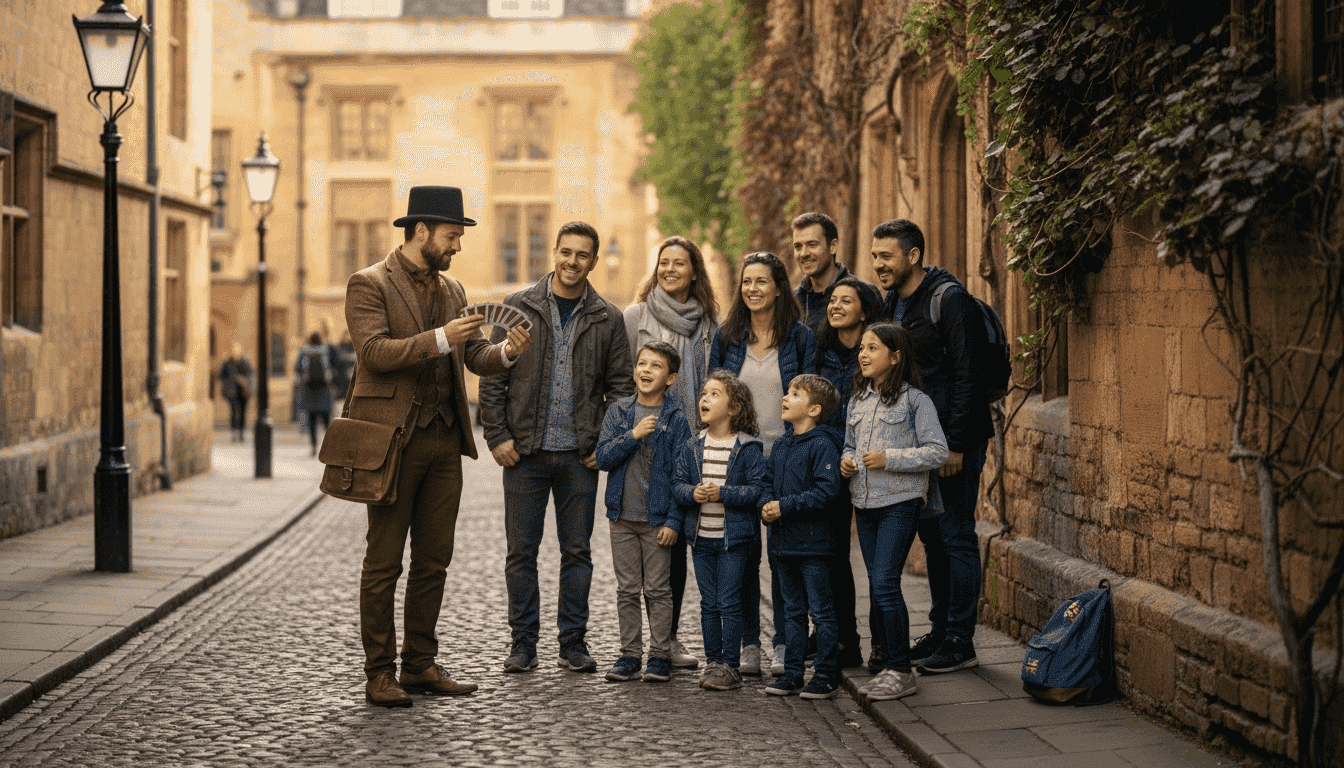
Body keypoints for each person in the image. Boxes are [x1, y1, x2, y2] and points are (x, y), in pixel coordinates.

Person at [345, 185, 531, 708]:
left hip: (444, 442)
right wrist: (443, 337)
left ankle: (420, 664)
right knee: (384, 563)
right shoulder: (368, 284)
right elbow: (375, 353)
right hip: (391, 442)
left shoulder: (452, 288)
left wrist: (506, 354)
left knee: (434, 560)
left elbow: (472, 357)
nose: (456, 247)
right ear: (421, 231)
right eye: (451, 235)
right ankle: (379, 673)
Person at [480, 221, 634, 675]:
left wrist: (602, 443)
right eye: (565, 253)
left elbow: (621, 390)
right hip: (524, 454)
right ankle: (523, 644)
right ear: (554, 252)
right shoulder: (518, 306)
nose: (572, 262)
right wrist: (497, 437)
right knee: (520, 553)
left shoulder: (609, 317)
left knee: (577, 553)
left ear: (593, 259)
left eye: (582, 255)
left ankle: (573, 643)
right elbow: (493, 374)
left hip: (579, 458)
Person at [871, 219, 991, 675]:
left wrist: (955, 444)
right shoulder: (893, 303)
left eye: (886, 256)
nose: (878, 264)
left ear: (914, 254)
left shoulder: (949, 299)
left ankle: (962, 641)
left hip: (952, 442)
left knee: (957, 535)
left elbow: (968, 375)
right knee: (934, 538)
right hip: (919, 444)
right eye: (875, 255)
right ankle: (942, 630)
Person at [708, 251, 815, 676]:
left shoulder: (800, 338)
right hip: (741, 461)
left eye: (761, 281)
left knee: (783, 560)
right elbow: (717, 396)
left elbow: (811, 398)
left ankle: (786, 643)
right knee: (743, 556)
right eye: (746, 281)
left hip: (786, 460)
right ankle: (749, 643)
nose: (752, 288)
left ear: (778, 287)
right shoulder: (728, 338)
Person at [622, 235, 720, 669]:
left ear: (695, 271)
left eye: (680, 263)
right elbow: (624, 379)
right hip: (647, 446)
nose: (670, 269)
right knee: (649, 545)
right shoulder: (635, 316)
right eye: (664, 262)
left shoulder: (710, 324)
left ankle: (670, 639)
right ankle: (649, 643)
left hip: (693, 445)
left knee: (678, 542)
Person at [841, 322, 948, 701]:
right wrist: (847, 462)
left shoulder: (915, 401)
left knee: (885, 582)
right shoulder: (857, 400)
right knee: (877, 583)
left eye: (873, 348)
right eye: (862, 348)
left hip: (899, 503)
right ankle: (888, 664)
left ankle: (900, 671)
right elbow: (849, 444)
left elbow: (937, 451)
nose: (863, 354)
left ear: (896, 356)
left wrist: (890, 458)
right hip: (865, 504)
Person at [595, 341, 692, 683]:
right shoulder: (619, 412)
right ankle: (629, 655)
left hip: (657, 521)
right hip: (621, 517)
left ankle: (660, 655)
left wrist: (674, 521)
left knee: (658, 589)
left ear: (671, 378)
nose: (646, 370)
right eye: (642, 363)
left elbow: (684, 475)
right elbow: (603, 458)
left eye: (655, 366)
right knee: (626, 589)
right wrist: (632, 435)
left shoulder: (677, 419)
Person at [670, 370, 766, 692]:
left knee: (728, 601)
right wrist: (691, 493)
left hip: (733, 541)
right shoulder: (692, 445)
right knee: (708, 603)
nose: (704, 399)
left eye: (714, 394)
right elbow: (677, 484)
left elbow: (756, 490)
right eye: (703, 394)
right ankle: (714, 662)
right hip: (701, 539)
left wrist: (722, 493)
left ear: (735, 408)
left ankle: (731, 664)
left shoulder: (748, 448)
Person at [816, 276, 886, 671]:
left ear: (865, 308)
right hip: (832, 462)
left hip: (872, 464)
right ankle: (846, 641)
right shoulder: (821, 351)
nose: (836, 306)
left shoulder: (877, 349)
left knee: (878, 561)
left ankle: (883, 645)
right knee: (834, 556)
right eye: (833, 300)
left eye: (846, 300)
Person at [760, 374, 844, 699]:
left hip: (815, 546)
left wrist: (785, 506)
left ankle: (825, 674)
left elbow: (826, 492)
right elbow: (767, 480)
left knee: (821, 612)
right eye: (788, 392)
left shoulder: (823, 444)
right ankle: (793, 674)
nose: (786, 397)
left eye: (796, 394)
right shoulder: (781, 444)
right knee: (792, 612)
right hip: (784, 545)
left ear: (814, 409)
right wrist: (767, 503)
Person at [791, 212, 853, 338]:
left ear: (833, 247)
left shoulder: (861, 294)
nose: (803, 253)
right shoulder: (792, 301)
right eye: (798, 246)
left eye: (812, 245)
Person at [295, 332, 333, 455]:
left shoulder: (304, 351)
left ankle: (313, 447)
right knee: (327, 421)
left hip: (309, 390)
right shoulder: (326, 351)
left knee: (312, 422)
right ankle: (328, 447)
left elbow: (297, 368)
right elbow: (334, 367)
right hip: (324, 390)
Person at [218, 343, 255, 443]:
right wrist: (229, 382)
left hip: (244, 392)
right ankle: (234, 433)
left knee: (243, 412)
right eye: (234, 349)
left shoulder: (245, 362)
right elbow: (220, 376)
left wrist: (244, 381)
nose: (236, 352)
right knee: (234, 411)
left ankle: (241, 432)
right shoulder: (227, 363)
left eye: (237, 349)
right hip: (232, 392)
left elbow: (251, 374)